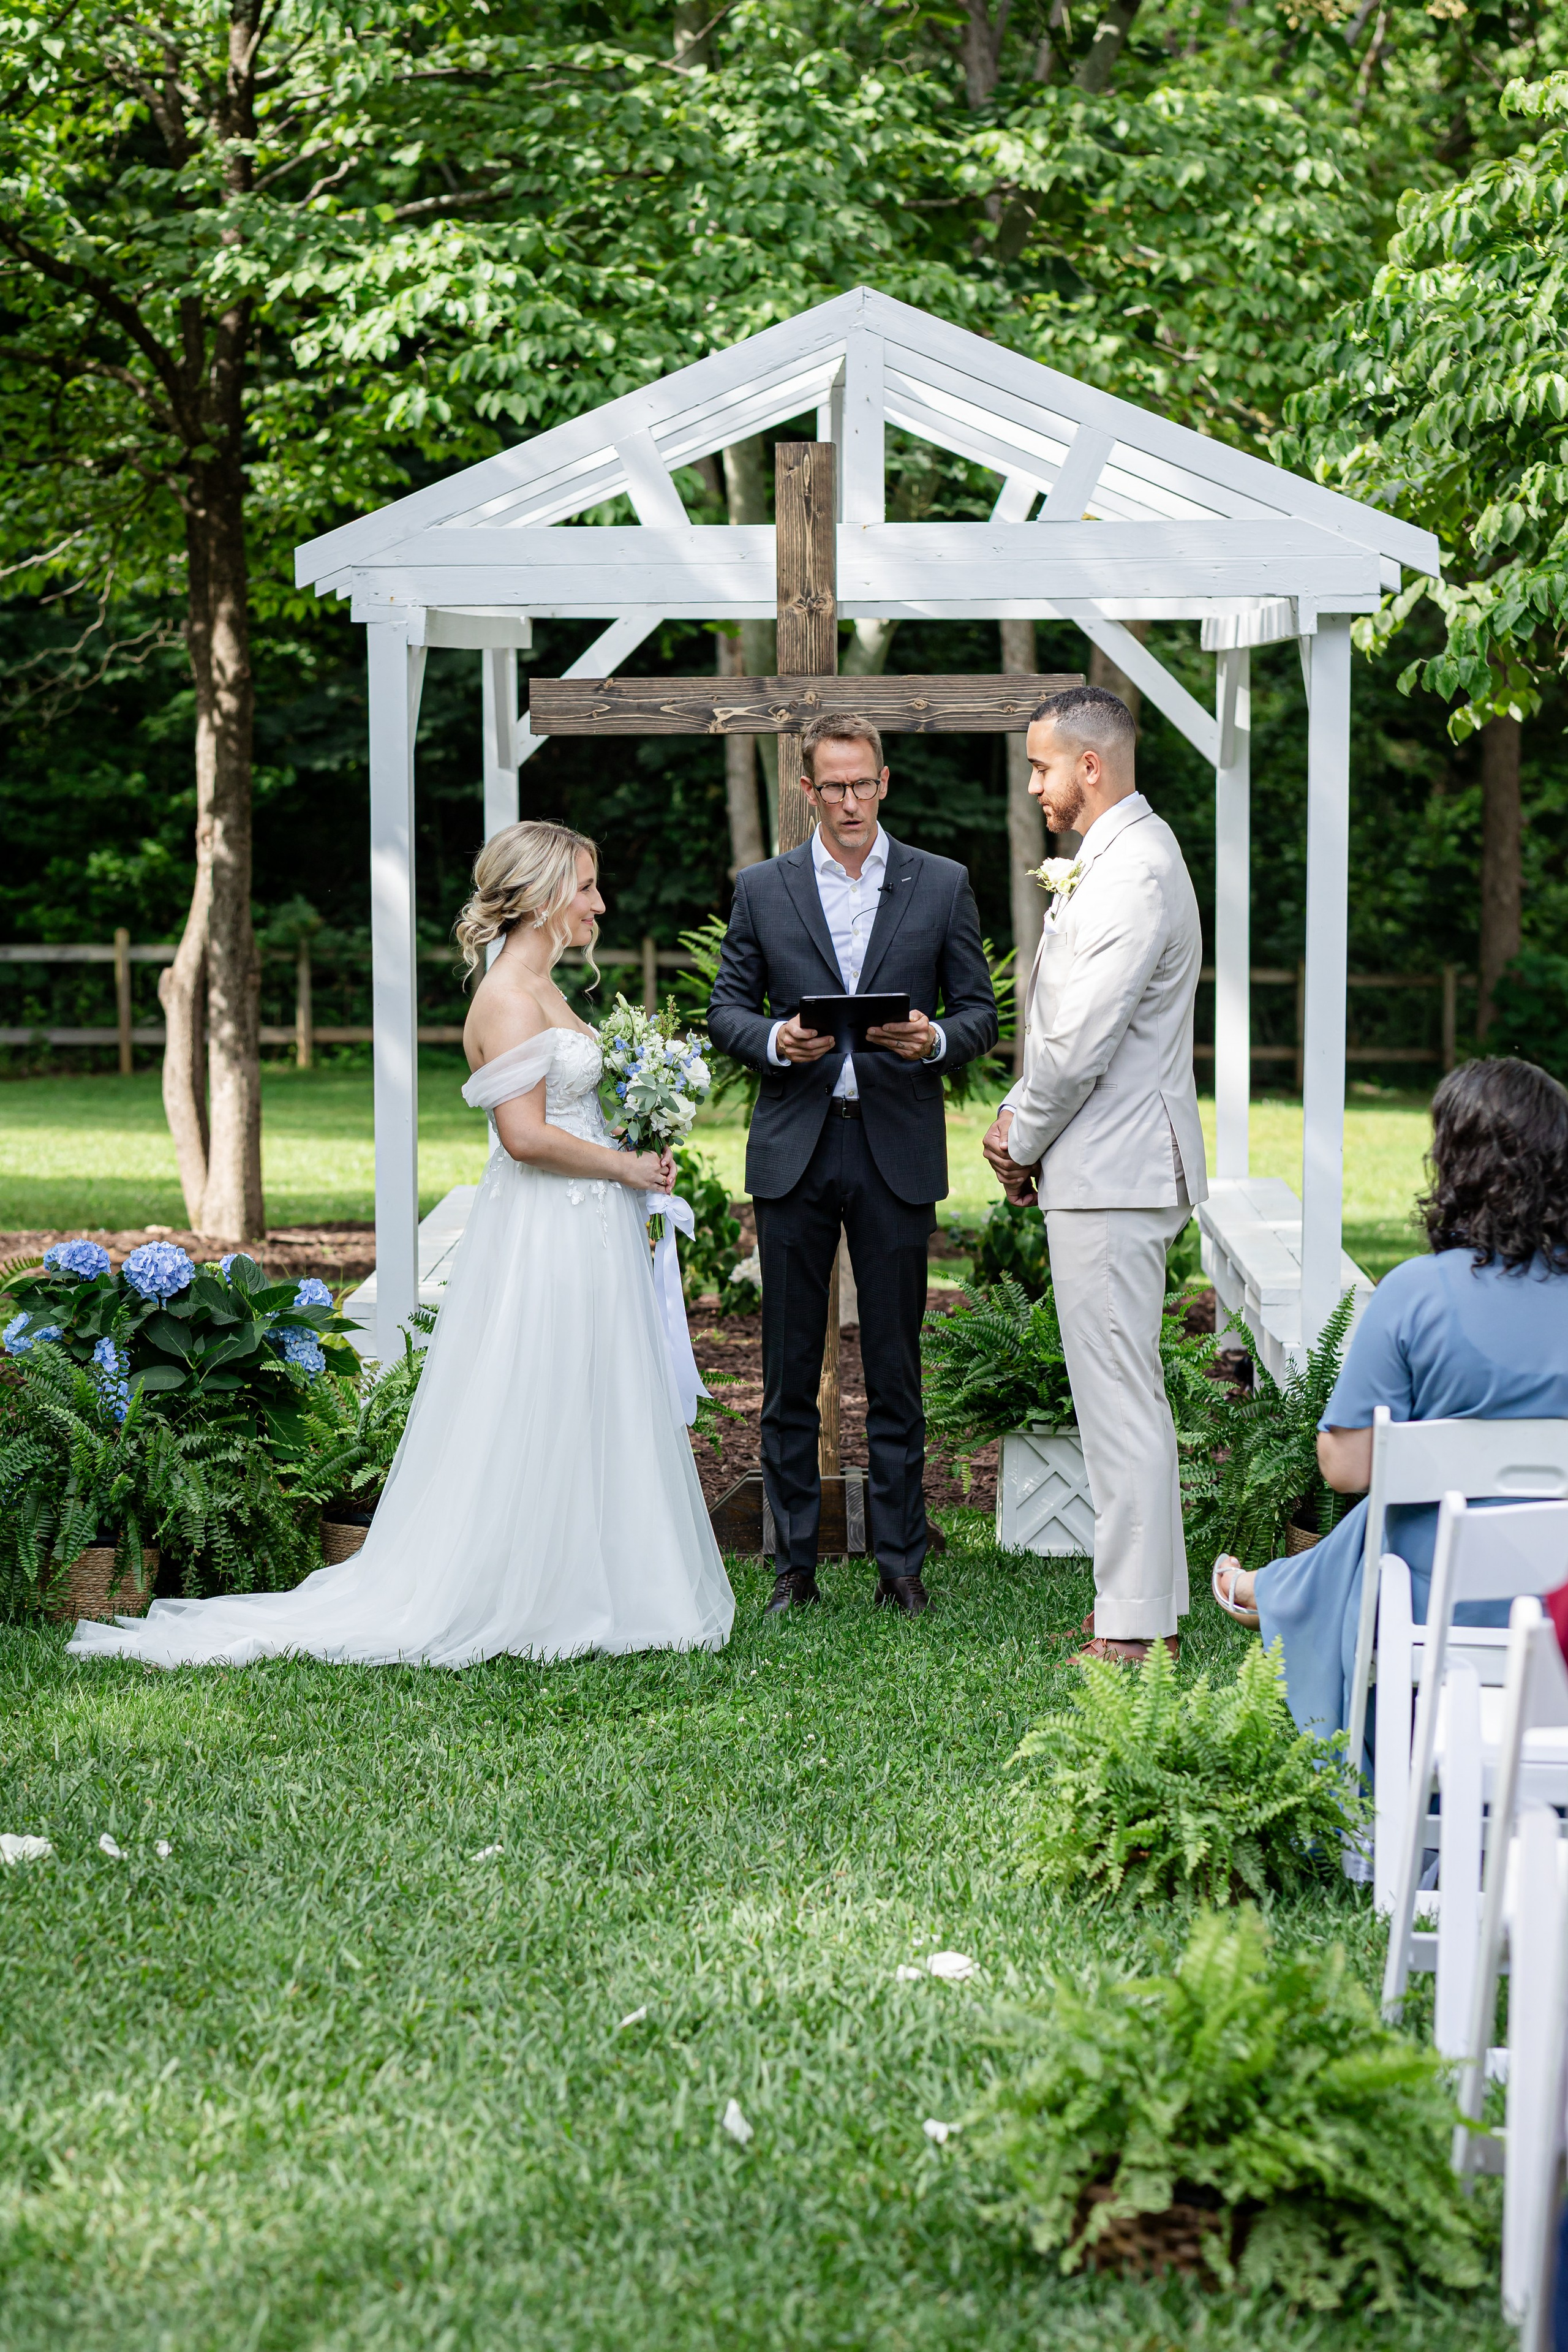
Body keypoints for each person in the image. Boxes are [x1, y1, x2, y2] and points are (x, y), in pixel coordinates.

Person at [69, 823, 734, 1670]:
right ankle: (530, 1589)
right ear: (537, 896)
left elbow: (570, 1111)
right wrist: (626, 1166)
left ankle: (602, 1576)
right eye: (587, 887)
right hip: (547, 1227)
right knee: (540, 1388)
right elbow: (525, 1137)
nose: (599, 904)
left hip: (588, 1223)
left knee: (591, 1388)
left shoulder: (550, 988)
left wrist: (638, 1135)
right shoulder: (507, 998)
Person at [707, 711, 998, 1616]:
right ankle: (793, 1566)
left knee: (896, 1365)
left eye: (863, 783)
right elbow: (725, 1009)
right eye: (832, 786)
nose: (849, 801)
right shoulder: (763, 887)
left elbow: (981, 1013)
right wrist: (772, 1039)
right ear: (807, 791)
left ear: (885, 782)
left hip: (894, 1150)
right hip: (795, 1147)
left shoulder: (941, 883)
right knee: (789, 1369)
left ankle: (901, 1565)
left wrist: (934, 1038)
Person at [1213, 1057, 1568, 1751]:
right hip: (1560, 1591)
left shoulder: (1417, 1293)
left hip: (1439, 1597)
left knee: (1391, 1517)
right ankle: (1276, 1588)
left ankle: (1279, 1591)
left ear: (1455, 1168)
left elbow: (1343, 1468)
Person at [982, 685, 1207, 1665]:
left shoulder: (1132, 875)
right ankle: (1146, 1601)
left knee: (1117, 1400)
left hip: (1114, 1168)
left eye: (1041, 766)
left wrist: (1017, 1137)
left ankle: (1134, 1626)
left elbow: (1077, 1048)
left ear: (1091, 766)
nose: (1033, 785)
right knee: (1123, 1394)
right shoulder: (1118, 861)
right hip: (1105, 1164)